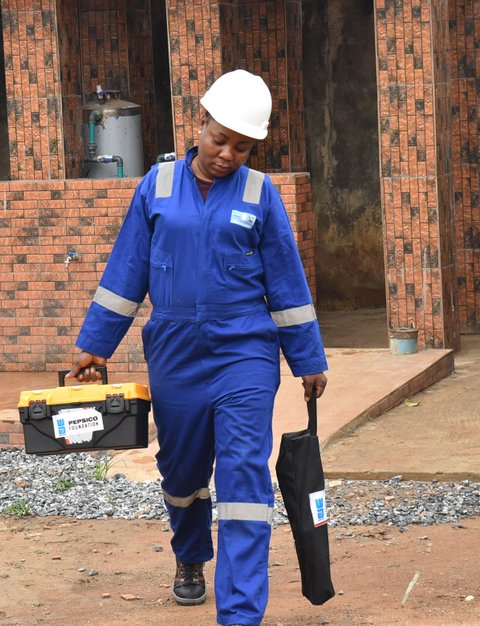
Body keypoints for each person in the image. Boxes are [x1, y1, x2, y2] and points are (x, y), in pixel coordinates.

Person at [68, 69, 329, 626]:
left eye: (242, 146)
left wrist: (307, 358)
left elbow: (286, 283)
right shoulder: (156, 187)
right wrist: (95, 344)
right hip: (176, 351)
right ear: (201, 122)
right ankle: (190, 555)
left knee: (243, 477)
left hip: (245, 353)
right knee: (182, 473)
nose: (228, 154)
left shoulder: (261, 195)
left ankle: (239, 614)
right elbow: (126, 272)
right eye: (220, 140)